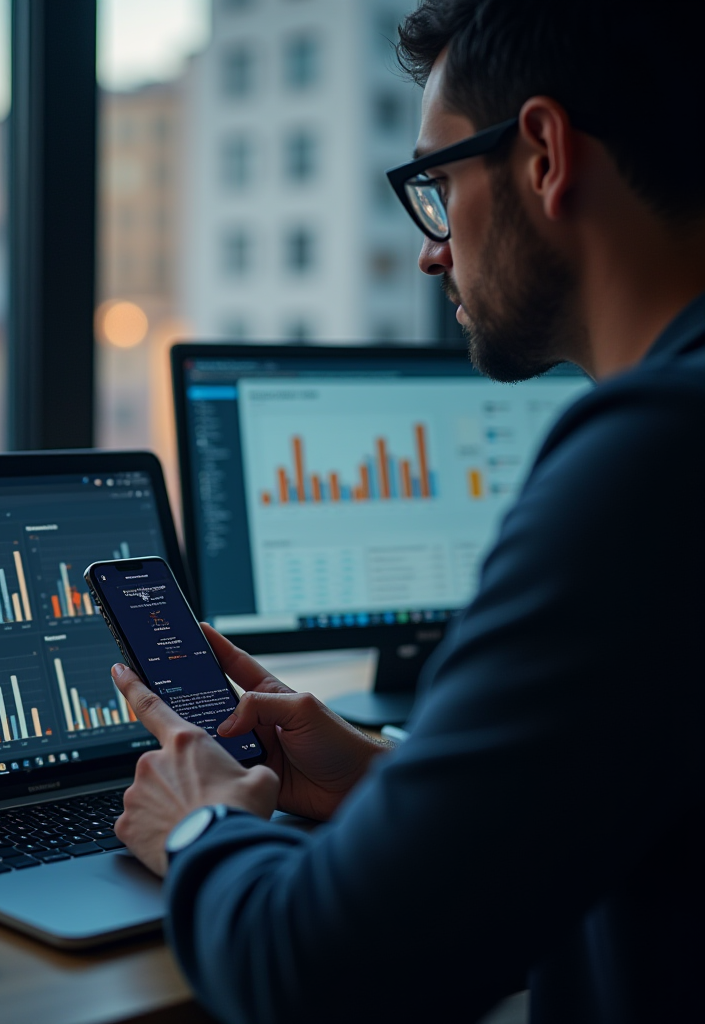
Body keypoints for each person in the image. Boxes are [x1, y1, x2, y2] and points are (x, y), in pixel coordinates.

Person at [109, 1, 705, 1021]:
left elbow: (314, 976)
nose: (431, 252)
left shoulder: (652, 455)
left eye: (434, 184)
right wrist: (395, 781)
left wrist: (200, 822)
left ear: (543, 155)